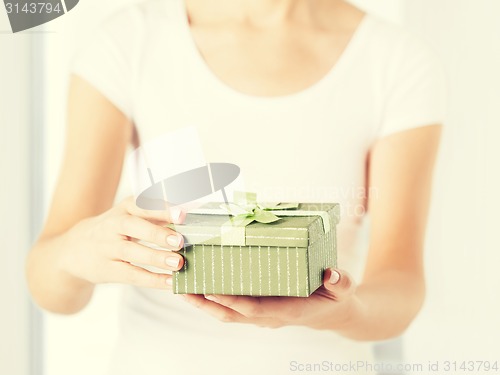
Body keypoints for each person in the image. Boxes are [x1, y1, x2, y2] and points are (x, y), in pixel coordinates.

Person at [26, 0, 446, 374]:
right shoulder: (128, 40)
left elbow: (400, 288)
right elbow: (51, 288)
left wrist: (340, 311)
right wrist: (79, 251)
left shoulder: (395, 60)